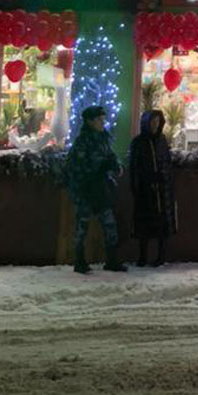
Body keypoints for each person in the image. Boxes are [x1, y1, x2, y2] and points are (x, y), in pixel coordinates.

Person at [65, 105, 126, 274]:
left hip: (100, 189)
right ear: (89, 121)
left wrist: (115, 165)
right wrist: (99, 167)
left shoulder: (103, 138)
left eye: (102, 119)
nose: (102, 122)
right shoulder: (82, 141)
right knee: (82, 227)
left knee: (109, 224)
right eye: (99, 119)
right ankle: (79, 261)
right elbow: (78, 167)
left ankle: (112, 259)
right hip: (85, 190)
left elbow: (110, 155)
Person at [128, 109, 177, 267]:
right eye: (152, 122)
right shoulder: (138, 143)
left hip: (162, 190)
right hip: (145, 190)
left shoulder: (161, 141)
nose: (155, 125)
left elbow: (167, 163)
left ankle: (160, 256)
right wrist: (140, 184)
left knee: (162, 223)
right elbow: (135, 167)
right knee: (144, 223)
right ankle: (142, 256)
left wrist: (164, 178)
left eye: (157, 122)